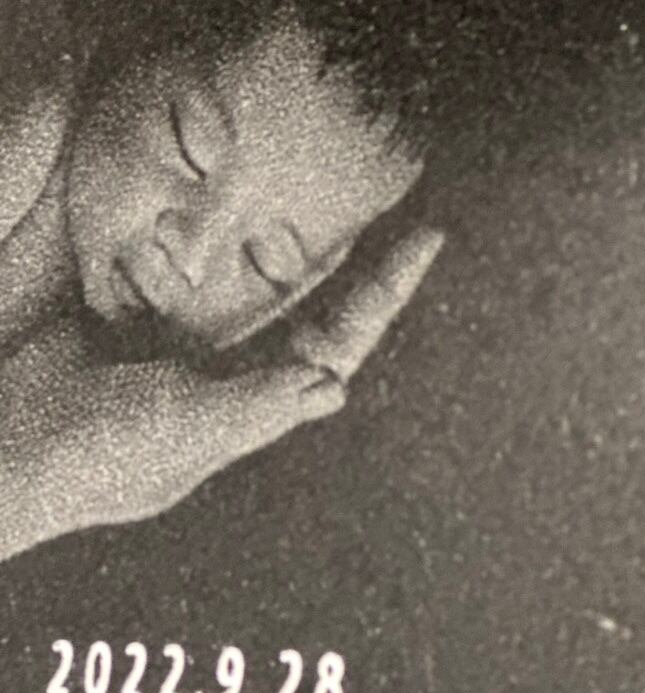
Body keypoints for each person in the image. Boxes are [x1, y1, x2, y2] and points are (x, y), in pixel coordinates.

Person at [0, 0, 448, 561]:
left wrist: (258, 393)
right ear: (129, 45)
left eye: (265, 262)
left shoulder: (112, 349)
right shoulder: (23, 140)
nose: (192, 254)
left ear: (293, 295)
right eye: (191, 151)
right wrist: (38, 484)